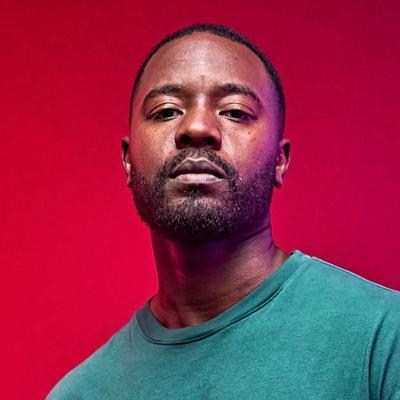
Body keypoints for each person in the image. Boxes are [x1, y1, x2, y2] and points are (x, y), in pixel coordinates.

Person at [47, 23, 400, 399]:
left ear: (279, 161)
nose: (197, 127)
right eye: (166, 111)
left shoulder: (384, 339)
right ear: (128, 160)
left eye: (234, 111)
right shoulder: (80, 393)